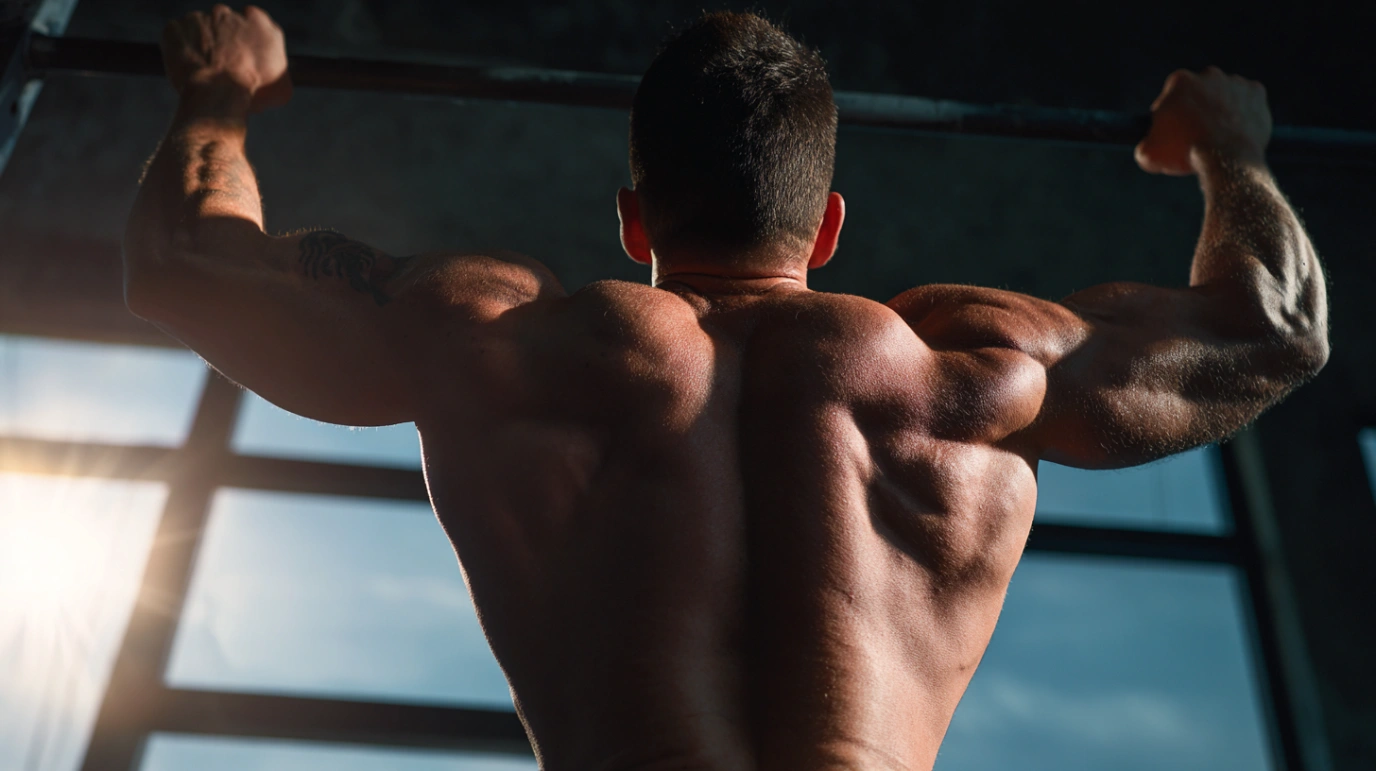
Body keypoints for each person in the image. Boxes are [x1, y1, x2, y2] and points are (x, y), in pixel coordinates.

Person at [128, 5, 1328, 770]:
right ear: (828, 228)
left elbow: (186, 264)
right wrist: (1227, 145)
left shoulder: (493, 340)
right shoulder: (980, 371)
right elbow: (1272, 328)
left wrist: (221, 91)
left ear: (631, 216)